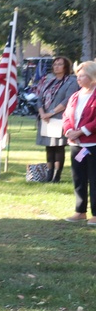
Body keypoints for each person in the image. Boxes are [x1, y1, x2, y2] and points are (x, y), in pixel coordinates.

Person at [62, 61, 96, 226]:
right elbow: (67, 117)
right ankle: (80, 211)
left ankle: (95, 214)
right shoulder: (75, 95)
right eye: (77, 76)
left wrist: (82, 131)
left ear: (92, 76)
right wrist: (69, 131)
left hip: (92, 144)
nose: (79, 79)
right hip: (76, 145)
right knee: (79, 178)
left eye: (82, 75)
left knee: (94, 178)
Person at [36, 56, 78, 183]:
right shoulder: (49, 81)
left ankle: (57, 175)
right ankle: (49, 174)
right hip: (45, 118)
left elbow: (68, 100)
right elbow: (39, 98)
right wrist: (42, 113)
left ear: (66, 67)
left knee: (58, 146)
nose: (57, 66)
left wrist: (51, 113)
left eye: (60, 64)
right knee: (49, 146)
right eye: (55, 64)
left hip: (59, 118)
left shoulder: (71, 81)